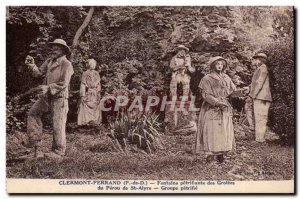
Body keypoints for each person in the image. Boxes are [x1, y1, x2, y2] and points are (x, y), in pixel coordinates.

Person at [24, 39, 74, 160]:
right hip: (46, 97)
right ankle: (35, 144)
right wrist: (32, 65)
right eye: (52, 47)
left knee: (58, 124)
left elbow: (64, 83)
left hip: (59, 97)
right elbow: (39, 73)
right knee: (33, 113)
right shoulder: (49, 61)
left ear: (63, 50)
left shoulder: (66, 64)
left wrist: (48, 87)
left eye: (56, 47)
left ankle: (58, 152)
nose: (53, 49)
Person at [195, 56, 237, 163]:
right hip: (211, 107)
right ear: (213, 65)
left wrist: (243, 92)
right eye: (217, 64)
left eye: (221, 64)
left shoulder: (226, 78)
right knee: (212, 130)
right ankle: (210, 156)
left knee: (224, 129)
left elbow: (233, 91)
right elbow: (206, 95)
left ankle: (221, 155)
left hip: (225, 107)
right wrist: (217, 103)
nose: (219, 66)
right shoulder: (207, 78)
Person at [244, 53, 272, 142]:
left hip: (262, 97)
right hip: (260, 96)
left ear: (259, 60)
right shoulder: (260, 69)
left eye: (255, 59)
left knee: (260, 118)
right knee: (257, 115)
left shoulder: (263, 68)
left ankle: (260, 139)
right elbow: (255, 83)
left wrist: (252, 95)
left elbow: (259, 83)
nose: (254, 61)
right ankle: (257, 136)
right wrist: (249, 88)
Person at [77, 59, 102, 126]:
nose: (94, 66)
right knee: (85, 104)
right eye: (92, 65)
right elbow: (83, 85)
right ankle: (86, 122)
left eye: (94, 65)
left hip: (95, 93)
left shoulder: (97, 73)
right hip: (88, 92)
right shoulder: (85, 73)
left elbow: (99, 84)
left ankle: (95, 122)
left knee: (96, 105)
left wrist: (99, 92)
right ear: (89, 65)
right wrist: (82, 95)